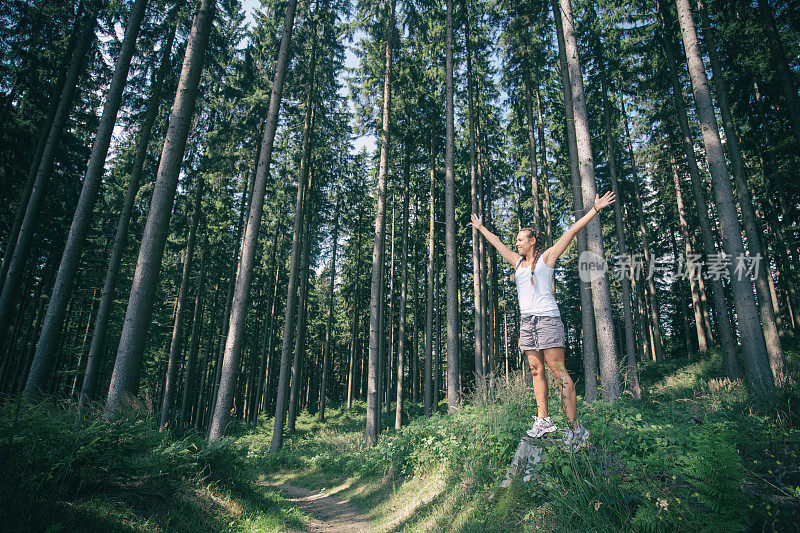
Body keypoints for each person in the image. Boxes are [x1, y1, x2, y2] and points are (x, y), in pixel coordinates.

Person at [470, 190, 616, 450]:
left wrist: (594, 209)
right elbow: (497, 244)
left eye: (520, 240)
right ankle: (544, 420)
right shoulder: (517, 263)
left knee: (558, 373)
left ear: (533, 240)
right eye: (516, 241)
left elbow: (570, 232)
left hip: (547, 320)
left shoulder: (547, 258)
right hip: (527, 324)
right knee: (536, 371)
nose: (516, 244)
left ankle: (574, 428)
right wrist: (481, 228)